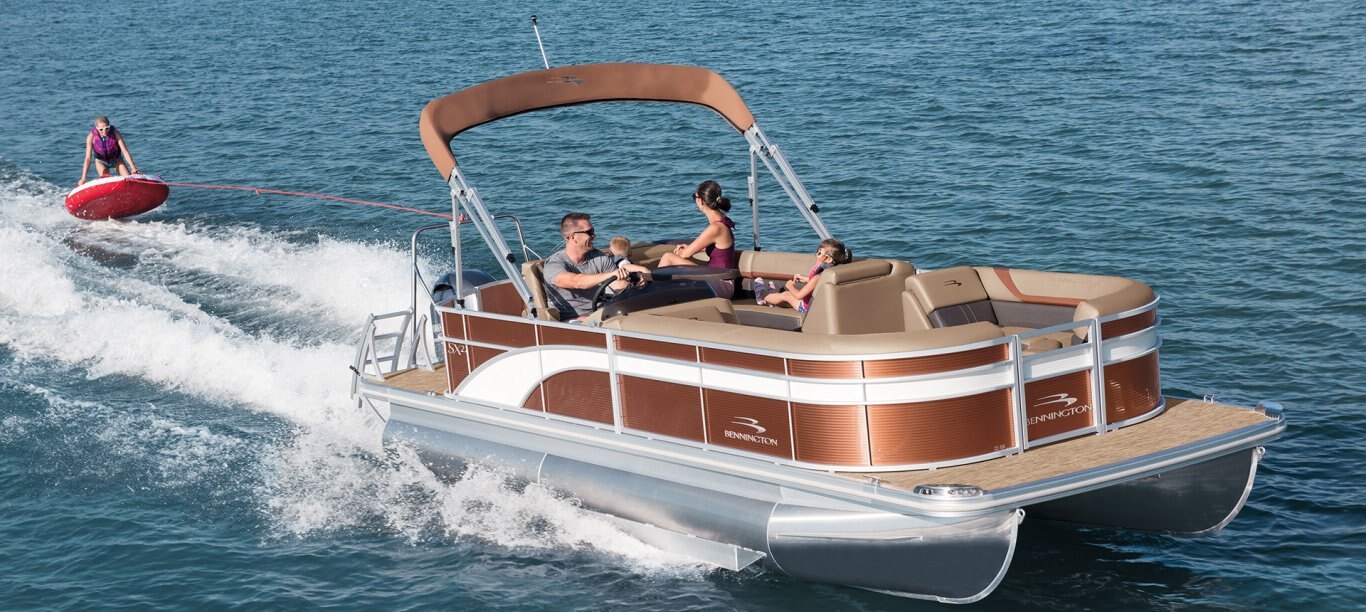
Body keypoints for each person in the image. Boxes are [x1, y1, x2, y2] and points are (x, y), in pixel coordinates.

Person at [544, 213, 651, 321]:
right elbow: (577, 281)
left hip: (601, 313)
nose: (594, 235)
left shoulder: (598, 256)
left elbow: (617, 284)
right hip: (571, 320)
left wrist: (637, 289)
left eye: (593, 231)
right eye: (589, 232)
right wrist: (610, 275)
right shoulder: (554, 264)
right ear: (573, 237)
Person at [656, 179, 737, 298]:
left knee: (668, 257)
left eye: (695, 197)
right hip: (714, 277)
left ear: (700, 201)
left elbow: (685, 255)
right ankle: (660, 292)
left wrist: (682, 251)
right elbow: (719, 249)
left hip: (720, 283)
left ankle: (653, 291)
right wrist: (689, 248)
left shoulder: (716, 228)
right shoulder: (721, 222)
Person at [753, 238, 852, 314]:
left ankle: (762, 296)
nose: (816, 254)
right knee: (786, 296)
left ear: (829, 259)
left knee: (787, 295)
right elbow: (818, 284)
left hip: (807, 308)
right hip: (818, 307)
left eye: (819, 252)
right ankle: (771, 297)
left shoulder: (818, 277)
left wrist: (790, 286)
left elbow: (799, 296)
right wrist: (805, 279)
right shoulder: (831, 271)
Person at [78, 116, 139, 185]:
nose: (104, 131)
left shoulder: (115, 133)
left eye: (107, 128)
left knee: (128, 180)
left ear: (109, 126)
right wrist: (83, 177)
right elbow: (88, 158)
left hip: (117, 160)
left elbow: (125, 151)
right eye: (101, 129)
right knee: (106, 183)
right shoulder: (91, 137)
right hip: (101, 162)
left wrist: (133, 167)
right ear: (96, 128)